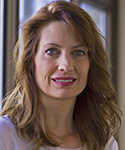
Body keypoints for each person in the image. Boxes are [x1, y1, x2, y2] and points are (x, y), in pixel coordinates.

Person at [0, 1, 122, 150]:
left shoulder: (104, 143)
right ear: (30, 61)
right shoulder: (4, 136)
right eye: (51, 51)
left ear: (91, 63)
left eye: (78, 52)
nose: (66, 66)